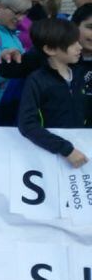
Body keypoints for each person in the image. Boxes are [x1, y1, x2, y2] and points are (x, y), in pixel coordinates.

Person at [18, 18, 90, 168]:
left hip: (83, 152)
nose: (79, 47)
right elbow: (27, 124)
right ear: (50, 49)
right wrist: (65, 149)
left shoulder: (80, 75)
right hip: (52, 158)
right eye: (73, 43)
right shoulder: (37, 81)